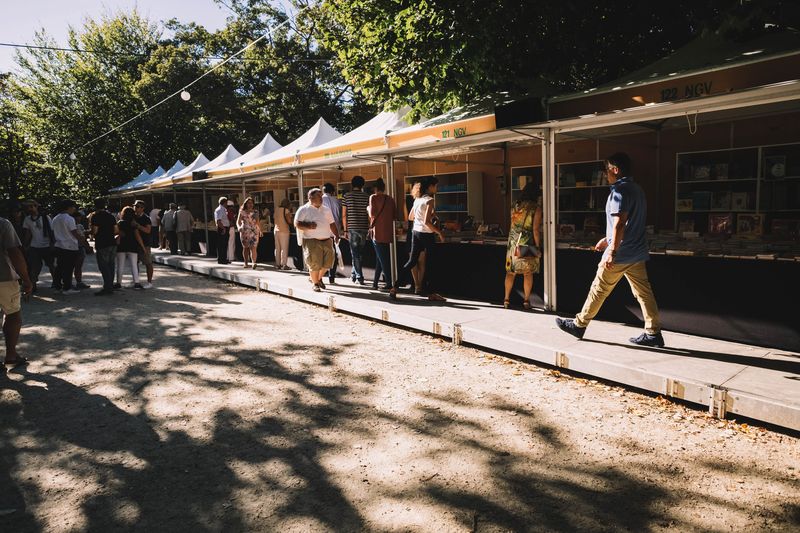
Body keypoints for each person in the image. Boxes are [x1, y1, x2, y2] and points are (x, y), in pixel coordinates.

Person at [555, 152, 664, 347]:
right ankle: (653, 332)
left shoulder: (619, 191)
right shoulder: (637, 189)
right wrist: (607, 239)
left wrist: (612, 250)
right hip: (637, 252)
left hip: (621, 253)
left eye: (607, 170)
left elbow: (620, 223)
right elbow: (630, 223)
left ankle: (579, 325)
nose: (606, 174)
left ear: (615, 169)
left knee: (599, 289)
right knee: (644, 293)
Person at [390, 176, 446, 301]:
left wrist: (426, 216)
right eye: (435, 185)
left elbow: (411, 217)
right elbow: (427, 222)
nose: (436, 188)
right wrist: (439, 232)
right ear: (430, 187)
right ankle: (431, 293)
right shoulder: (430, 200)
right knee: (430, 263)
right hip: (426, 234)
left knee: (411, 261)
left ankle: (395, 287)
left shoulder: (417, 200)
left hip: (415, 233)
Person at [1, 216, 33, 372]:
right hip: (4, 278)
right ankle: (11, 355)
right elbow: (14, 252)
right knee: (13, 314)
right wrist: (26, 279)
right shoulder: (3, 223)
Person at [503, 183, 543, 310]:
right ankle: (526, 301)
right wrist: (538, 248)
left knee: (510, 273)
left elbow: (512, 225)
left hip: (512, 243)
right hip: (527, 244)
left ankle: (506, 300)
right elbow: (535, 230)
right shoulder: (536, 208)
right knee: (527, 273)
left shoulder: (515, 206)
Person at [294, 188, 339, 292]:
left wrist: (336, 235)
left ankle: (317, 279)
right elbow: (296, 223)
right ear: (311, 198)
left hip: (327, 239)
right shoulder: (303, 209)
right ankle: (315, 283)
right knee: (314, 263)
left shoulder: (326, 209)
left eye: (321, 195)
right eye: (319, 196)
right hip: (311, 240)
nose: (321, 198)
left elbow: (332, 223)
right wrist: (308, 225)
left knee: (328, 263)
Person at [368, 178, 396, 290]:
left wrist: (367, 208)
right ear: (384, 188)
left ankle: (389, 283)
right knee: (380, 258)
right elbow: (395, 215)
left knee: (384, 260)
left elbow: (372, 214)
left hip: (378, 233)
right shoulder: (390, 199)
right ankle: (375, 283)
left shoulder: (373, 197)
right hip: (388, 232)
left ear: (375, 188)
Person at [341, 175, 370, 284]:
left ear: (352, 184)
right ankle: (354, 275)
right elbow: (369, 214)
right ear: (362, 185)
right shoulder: (367, 196)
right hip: (363, 227)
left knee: (355, 254)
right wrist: (369, 226)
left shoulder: (346, 196)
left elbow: (344, 215)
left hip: (352, 228)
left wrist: (345, 230)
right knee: (359, 254)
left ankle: (359, 277)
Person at [21, 200, 55, 291]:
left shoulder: (45, 217)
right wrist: (25, 244)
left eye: (31, 206)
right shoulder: (27, 219)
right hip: (34, 246)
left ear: (36, 207)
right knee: (34, 267)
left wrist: (52, 243)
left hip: (47, 245)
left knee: (51, 265)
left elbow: (51, 231)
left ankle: (56, 282)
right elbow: (28, 233)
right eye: (28, 207)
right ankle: (33, 285)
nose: (30, 209)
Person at [51, 199, 82, 294]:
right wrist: (81, 239)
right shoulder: (69, 219)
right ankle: (67, 287)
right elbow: (74, 232)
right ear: (69, 207)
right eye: (73, 207)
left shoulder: (55, 218)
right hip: (70, 246)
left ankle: (57, 286)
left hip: (59, 245)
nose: (74, 209)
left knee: (59, 267)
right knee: (68, 268)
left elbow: (53, 232)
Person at [90, 198, 118, 296]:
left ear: (95, 206)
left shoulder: (95, 216)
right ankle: (110, 285)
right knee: (111, 265)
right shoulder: (111, 216)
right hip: (112, 242)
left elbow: (95, 231)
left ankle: (107, 287)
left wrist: (89, 232)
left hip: (102, 243)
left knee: (104, 266)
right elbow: (116, 230)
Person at [115, 206, 145, 290]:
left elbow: (116, 232)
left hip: (121, 246)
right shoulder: (133, 224)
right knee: (134, 265)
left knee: (120, 265)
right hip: (132, 245)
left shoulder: (120, 223)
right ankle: (136, 283)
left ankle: (118, 283)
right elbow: (137, 236)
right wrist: (142, 247)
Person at [321, 183, 342, 283]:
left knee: (322, 254)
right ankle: (331, 276)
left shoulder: (319, 200)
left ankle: (319, 276)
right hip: (335, 232)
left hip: (322, 232)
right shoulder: (337, 200)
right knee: (334, 255)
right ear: (332, 191)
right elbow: (340, 216)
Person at [132, 200, 153, 288]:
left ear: (142, 208)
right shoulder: (133, 217)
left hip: (145, 243)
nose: (135, 208)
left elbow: (148, 230)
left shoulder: (146, 218)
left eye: (137, 206)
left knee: (148, 263)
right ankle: (136, 281)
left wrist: (138, 226)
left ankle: (149, 282)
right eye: (135, 206)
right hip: (133, 243)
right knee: (134, 263)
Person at [237, 197, 261, 269]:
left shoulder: (256, 212)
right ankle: (246, 263)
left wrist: (260, 230)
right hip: (245, 231)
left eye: (251, 203)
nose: (250, 204)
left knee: (253, 247)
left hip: (254, 231)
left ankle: (254, 263)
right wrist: (239, 227)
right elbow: (238, 221)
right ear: (246, 204)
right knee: (246, 248)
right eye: (249, 203)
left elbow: (257, 222)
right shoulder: (242, 211)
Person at [72, 210, 93, 290]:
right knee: (71, 266)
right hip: (73, 247)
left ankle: (79, 282)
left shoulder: (80, 226)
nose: (78, 219)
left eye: (79, 217)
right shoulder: (71, 226)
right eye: (77, 217)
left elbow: (84, 235)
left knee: (79, 266)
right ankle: (69, 282)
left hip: (80, 247)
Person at [273, 198, 293, 270]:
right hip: (284, 231)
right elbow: (289, 221)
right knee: (284, 248)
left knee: (277, 248)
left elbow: (274, 220)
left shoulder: (277, 210)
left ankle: (277, 264)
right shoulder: (286, 210)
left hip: (276, 230)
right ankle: (284, 264)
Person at [214, 196, 231, 264]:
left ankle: (224, 258)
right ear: (224, 202)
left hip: (224, 227)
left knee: (224, 244)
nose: (227, 204)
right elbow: (219, 221)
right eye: (226, 202)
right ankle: (221, 259)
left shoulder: (223, 209)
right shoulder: (220, 209)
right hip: (222, 228)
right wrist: (223, 229)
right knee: (222, 244)